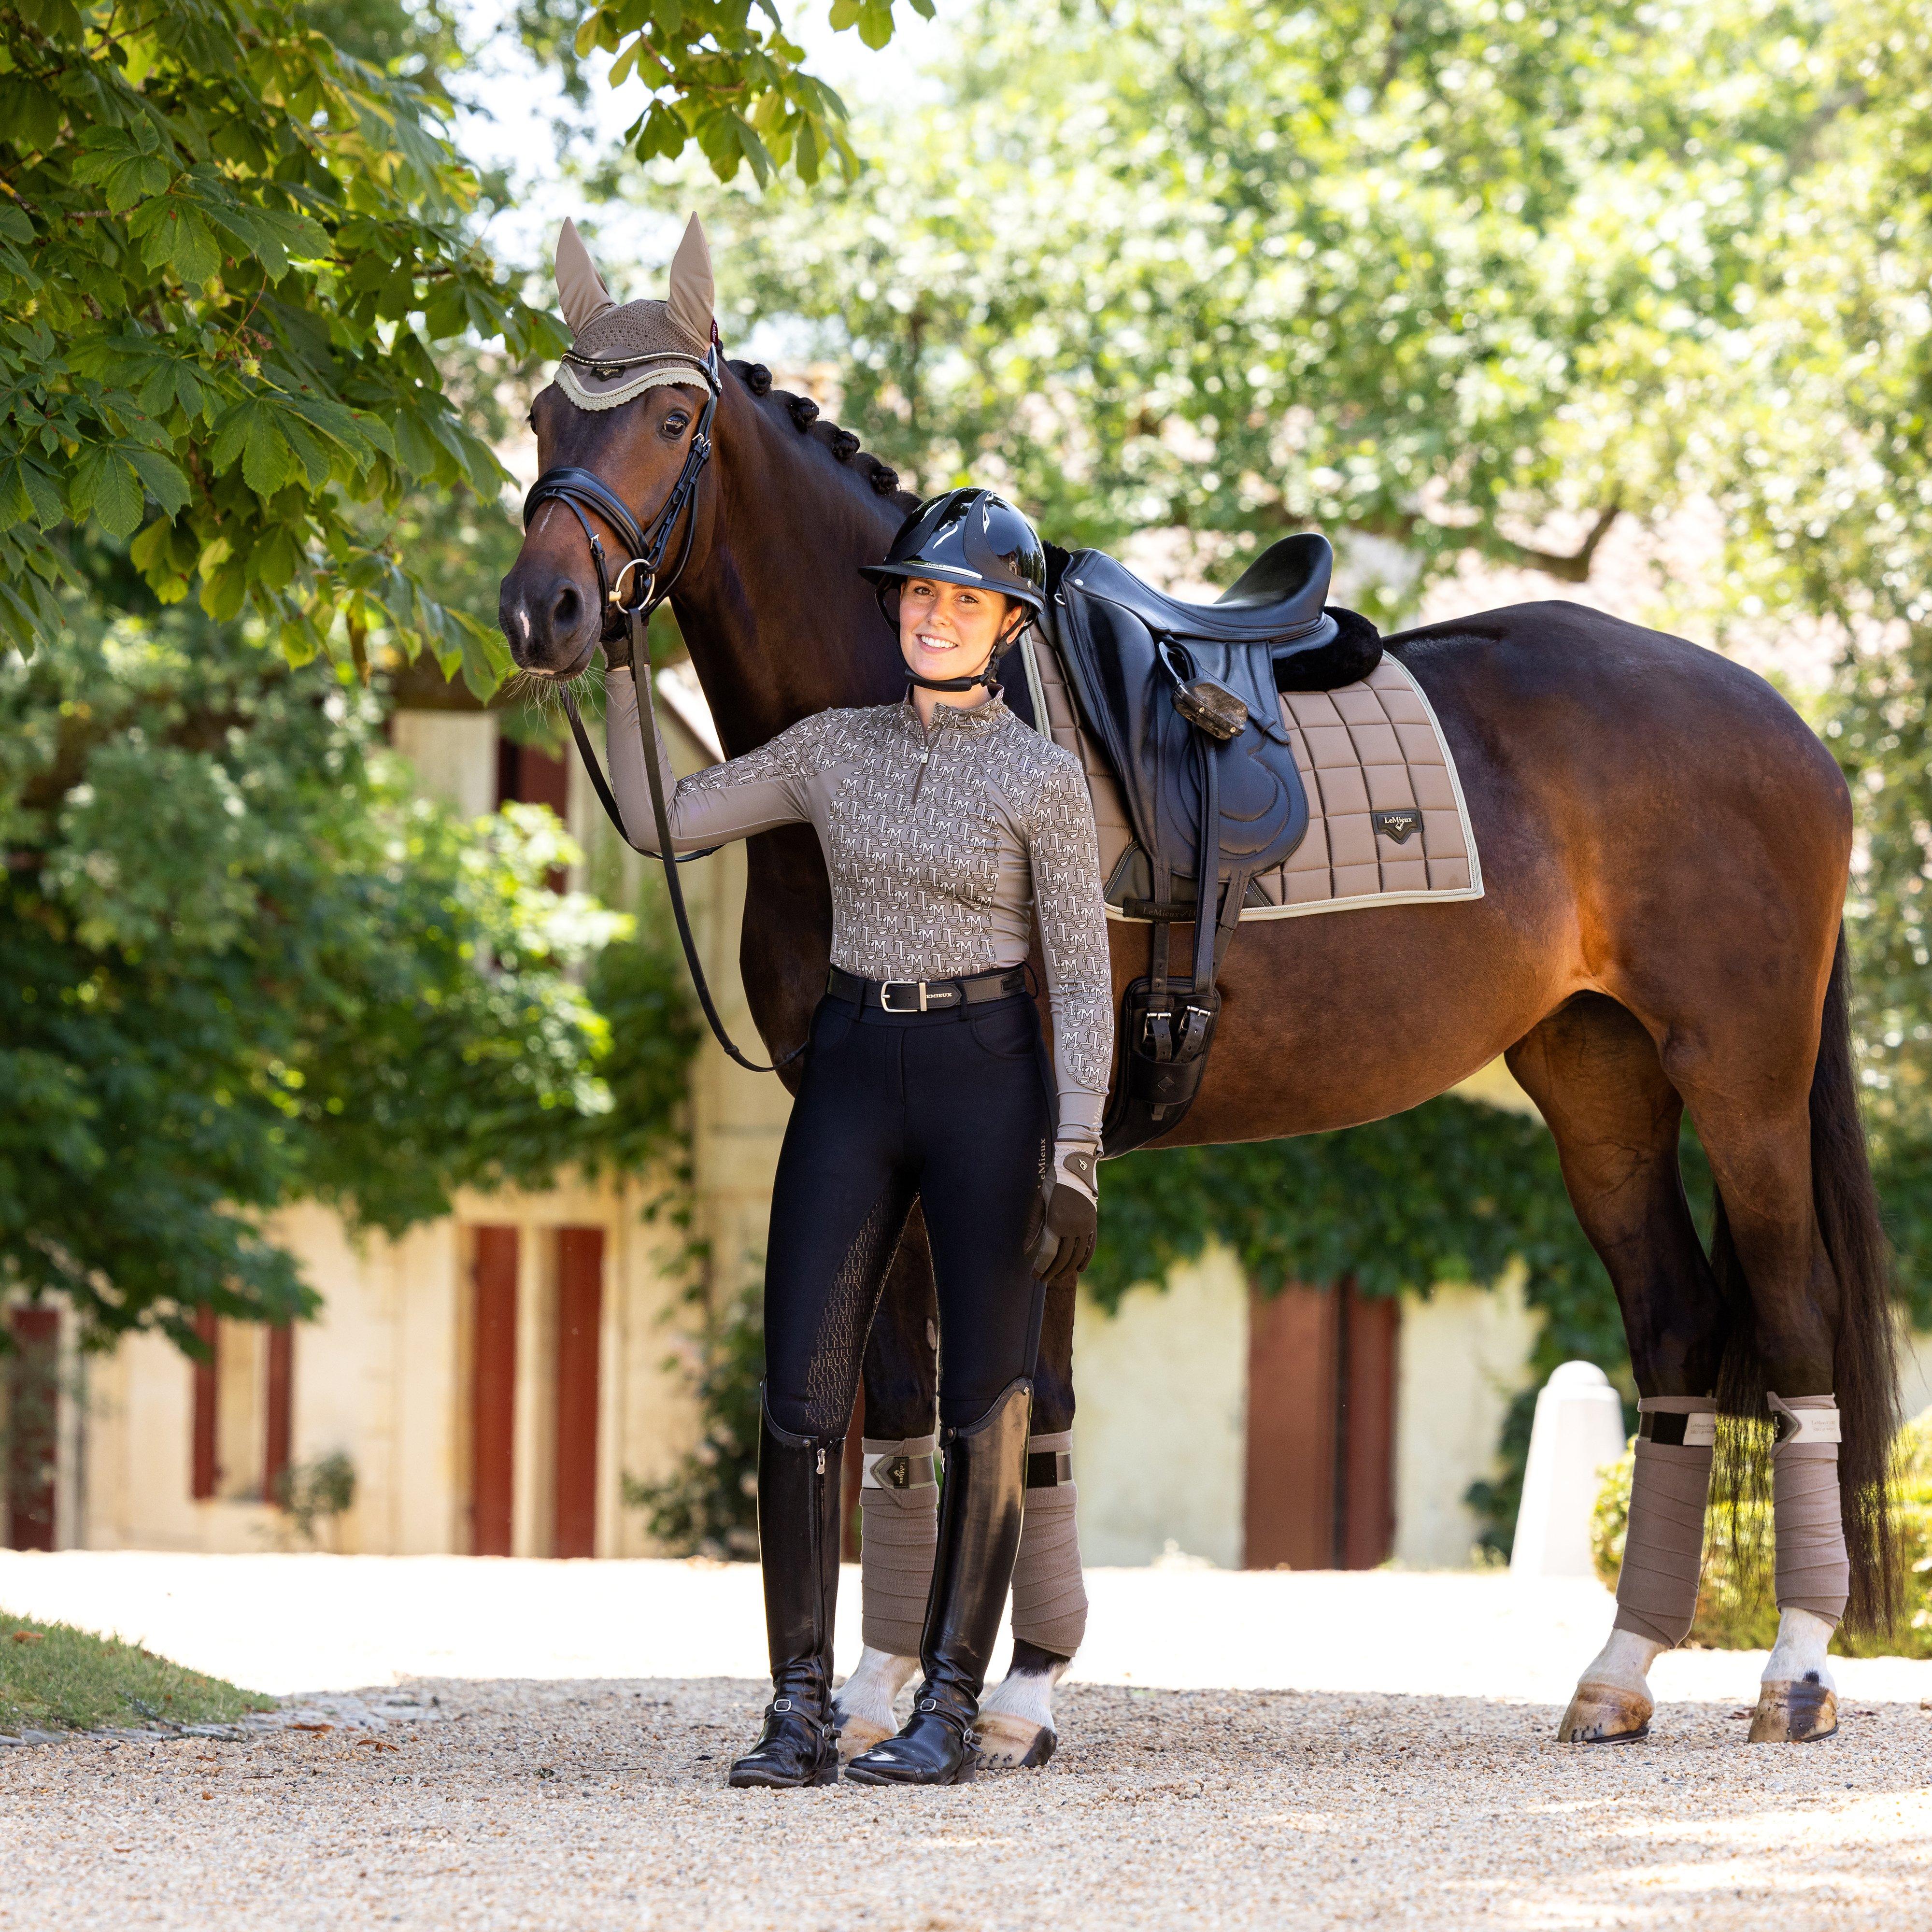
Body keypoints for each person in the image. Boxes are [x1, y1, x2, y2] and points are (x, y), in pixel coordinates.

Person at [600, 488, 1112, 1789]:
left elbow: (1085, 983)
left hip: (986, 1076)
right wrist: (619, 659)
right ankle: (796, 1711)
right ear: (896, 610)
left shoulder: (1046, 783)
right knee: (800, 1397)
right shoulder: (828, 748)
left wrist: (1077, 1153)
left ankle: (946, 1707)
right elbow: (661, 819)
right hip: (848, 1072)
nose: (938, 616)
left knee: (985, 1396)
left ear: (1006, 626)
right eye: (920, 595)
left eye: (967, 600)